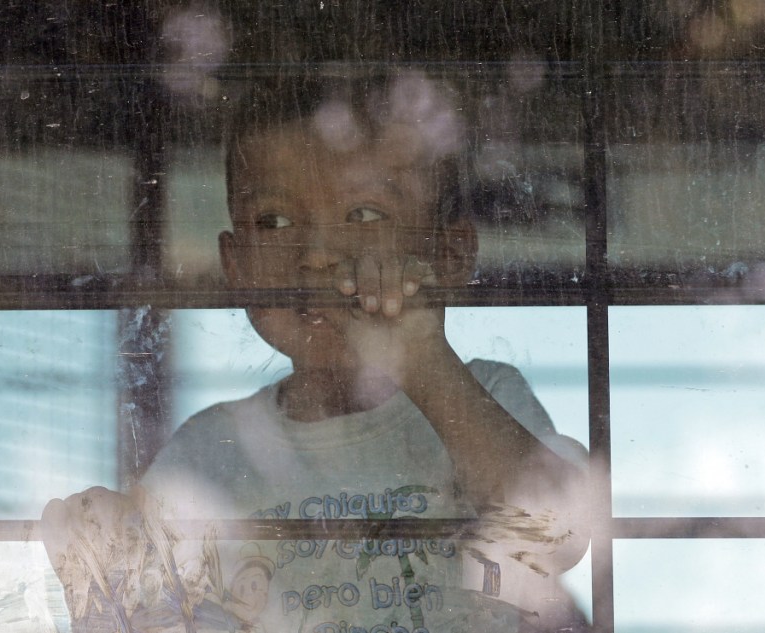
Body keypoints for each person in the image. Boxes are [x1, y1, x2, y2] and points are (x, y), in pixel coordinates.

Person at [46, 71, 590, 633]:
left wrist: (422, 357)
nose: (318, 255)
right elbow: (156, 613)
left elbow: (560, 533)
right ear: (236, 267)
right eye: (274, 221)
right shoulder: (210, 449)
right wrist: (101, 563)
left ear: (450, 254)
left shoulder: (484, 395)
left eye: (365, 214)